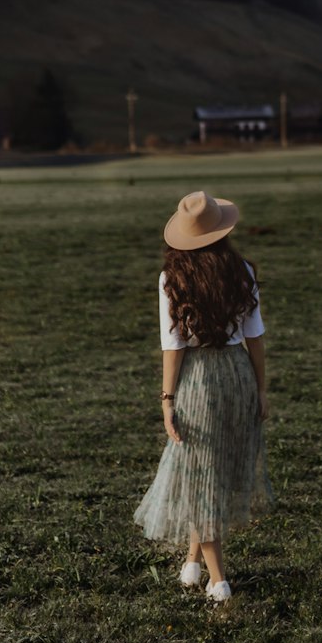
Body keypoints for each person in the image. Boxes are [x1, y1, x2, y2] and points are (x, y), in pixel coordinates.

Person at [133, 189, 273, 601]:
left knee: (198, 476)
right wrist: (262, 390)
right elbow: (256, 338)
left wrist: (167, 399)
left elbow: (172, 345)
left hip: (198, 380)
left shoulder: (171, 279)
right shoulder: (242, 271)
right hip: (238, 374)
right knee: (212, 472)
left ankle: (219, 583)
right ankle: (193, 565)